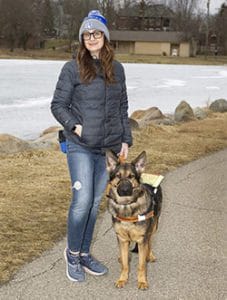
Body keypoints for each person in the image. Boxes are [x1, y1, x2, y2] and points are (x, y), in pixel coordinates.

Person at [51, 10, 132, 283]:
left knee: (95, 202)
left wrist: (125, 140)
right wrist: (75, 126)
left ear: (105, 37)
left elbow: (122, 107)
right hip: (80, 146)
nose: (91, 38)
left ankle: (85, 254)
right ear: (82, 39)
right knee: (82, 201)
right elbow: (57, 105)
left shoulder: (117, 69)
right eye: (87, 34)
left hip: (107, 149)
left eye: (96, 33)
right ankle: (72, 253)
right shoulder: (72, 67)